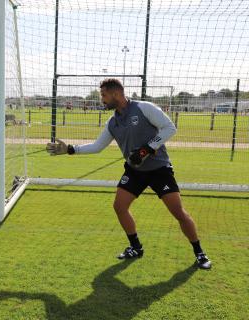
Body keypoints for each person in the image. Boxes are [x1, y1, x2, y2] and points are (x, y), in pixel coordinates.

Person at [46, 78, 211, 269]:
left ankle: (199, 253)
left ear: (116, 94)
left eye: (104, 95)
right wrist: (70, 149)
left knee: (177, 212)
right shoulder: (112, 122)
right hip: (134, 171)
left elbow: (170, 128)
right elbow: (97, 146)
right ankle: (136, 247)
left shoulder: (144, 108)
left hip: (159, 170)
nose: (102, 100)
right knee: (119, 206)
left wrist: (147, 149)